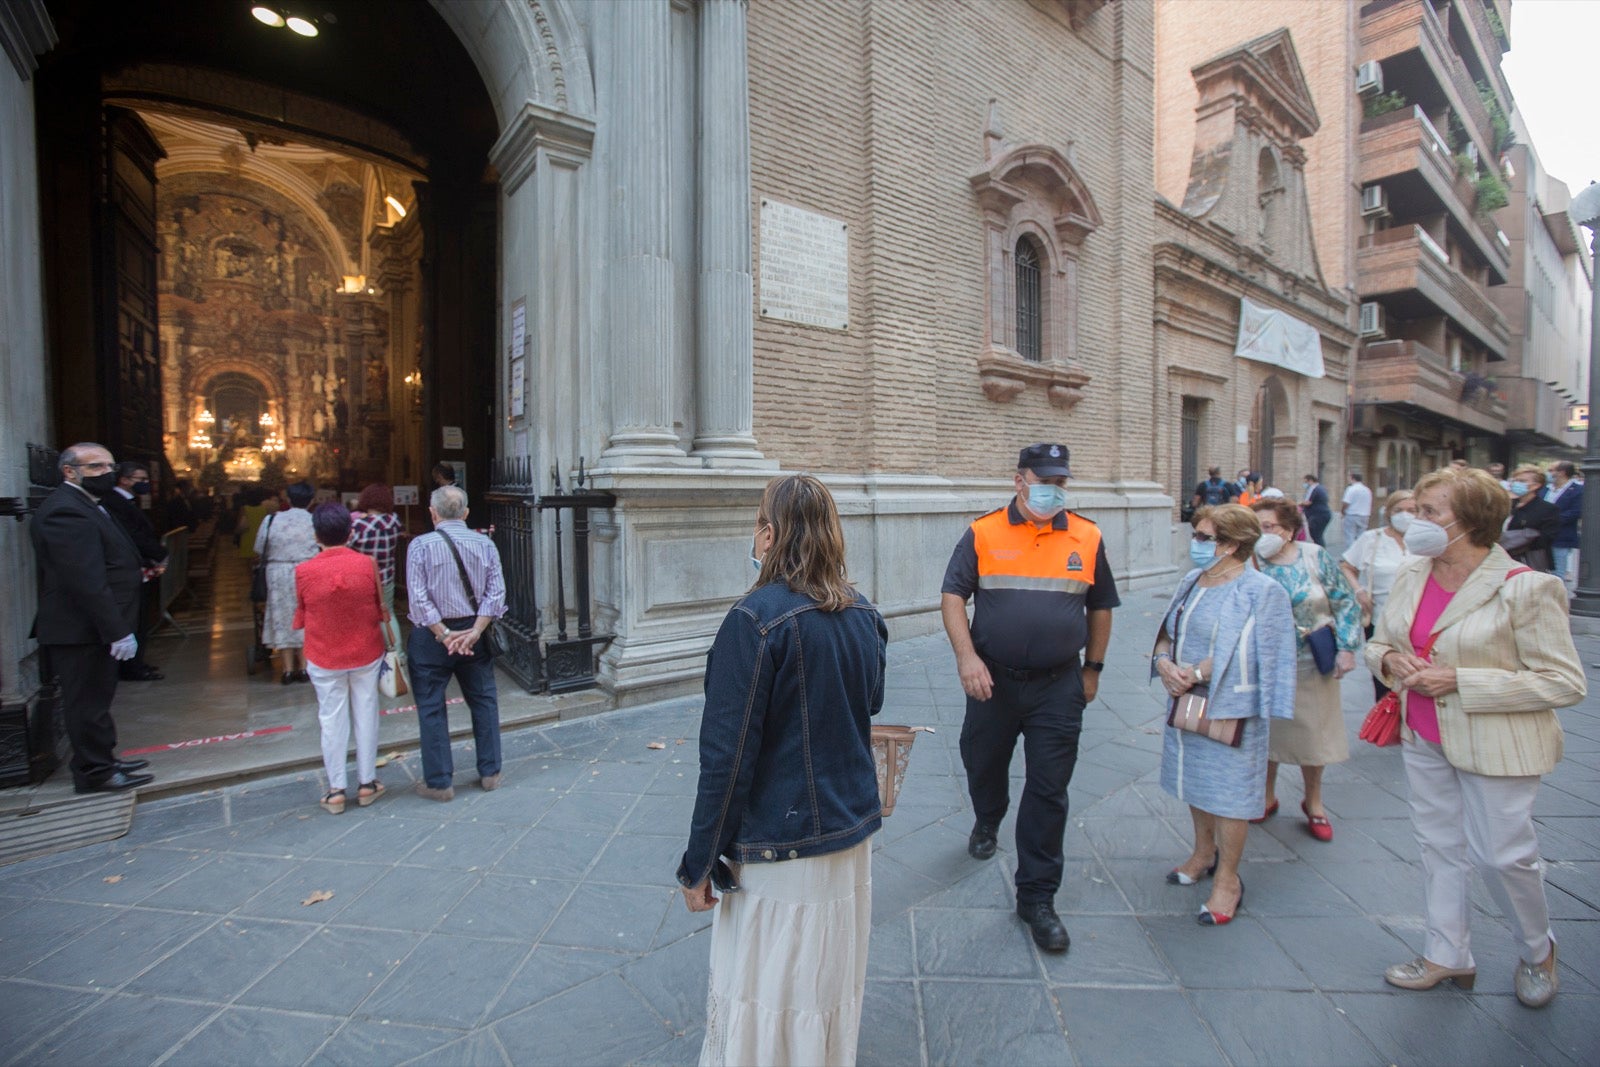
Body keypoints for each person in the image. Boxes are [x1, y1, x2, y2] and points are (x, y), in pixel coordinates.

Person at [678, 475, 887, 1067]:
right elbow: (869, 703)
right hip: (849, 835)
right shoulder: (864, 613)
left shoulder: (754, 621)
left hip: (780, 847)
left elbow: (726, 759)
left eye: (757, 524)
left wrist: (699, 863)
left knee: (770, 993)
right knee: (823, 988)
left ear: (769, 535)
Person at [1367, 467, 1584, 1008]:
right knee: (1438, 846)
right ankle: (1447, 954)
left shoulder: (1527, 587)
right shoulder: (1413, 573)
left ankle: (1538, 951)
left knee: (1502, 857)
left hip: (1496, 742)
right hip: (1423, 732)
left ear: (1470, 521)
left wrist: (1461, 680)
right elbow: (1381, 643)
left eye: (1429, 512)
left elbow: (1563, 682)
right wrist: (1390, 659)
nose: (1416, 521)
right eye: (1415, 510)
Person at [941, 443, 1119, 952]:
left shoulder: (1087, 535)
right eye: (1045, 481)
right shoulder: (983, 532)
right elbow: (953, 596)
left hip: (1058, 685)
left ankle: (1037, 897)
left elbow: (1101, 606)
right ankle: (988, 816)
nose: (1054, 491)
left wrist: (1093, 669)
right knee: (982, 761)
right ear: (1020, 481)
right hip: (992, 680)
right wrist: (967, 658)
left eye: (1061, 482)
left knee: (1049, 789)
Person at [1152, 505, 1296, 927]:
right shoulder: (1191, 581)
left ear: (1231, 545)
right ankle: (1203, 854)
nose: (1194, 543)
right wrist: (1164, 664)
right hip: (1186, 700)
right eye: (1196, 534)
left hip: (1231, 708)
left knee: (1231, 794)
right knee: (1197, 781)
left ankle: (1228, 880)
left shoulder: (1262, 591)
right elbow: (1167, 632)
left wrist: (1196, 673)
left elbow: (1263, 652)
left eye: (1204, 537)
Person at [29, 443, 154, 793]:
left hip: (94, 626)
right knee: (86, 703)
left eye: (110, 466)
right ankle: (94, 771)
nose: (106, 473)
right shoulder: (65, 511)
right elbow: (84, 579)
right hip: (82, 627)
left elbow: (107, 558)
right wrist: (117, 631)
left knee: (98, 700)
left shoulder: (87, 504)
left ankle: (104, 759)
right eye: (96, 467)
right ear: (70, 472)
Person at [1248, 498, 1361, 839]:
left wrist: (1347, 648)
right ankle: (1266, 795)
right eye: (1256, 528)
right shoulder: (1249, 560)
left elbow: (1345, 601)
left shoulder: (1315, 556)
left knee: (1315, 735)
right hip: (1265, 663)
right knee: (1267, 733)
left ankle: (1313, 801)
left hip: (1312, 660)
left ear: (1289, 530)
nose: (1262, 534)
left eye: (1268, 527)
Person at [406, 485, 506, 801]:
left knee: (431, 706)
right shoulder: (485, 544)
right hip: (473, 632)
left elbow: (418, 598)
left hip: (433, 636)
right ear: (465, 513)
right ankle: (491, 773)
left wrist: (444, 635)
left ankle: (439, 783)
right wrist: (475, 632)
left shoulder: (420, 546)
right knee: (484, 700)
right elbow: (496, 593)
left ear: (432, 513)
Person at [295, 503, 389, 815]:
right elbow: (377, 605)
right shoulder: (366, 564)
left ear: (316, 535)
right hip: (365, 649)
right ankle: (367, 783)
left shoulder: (304, 571)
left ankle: (336, 788)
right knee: (366, 712)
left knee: (331, 719)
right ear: (350, 533)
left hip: (324, 652)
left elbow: (301, 613)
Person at [1340, 489, 1418, 701]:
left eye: (1411, 510)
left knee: (1415, 677)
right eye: (1399, 510)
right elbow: (1347, 566)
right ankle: (1386, 717)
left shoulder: (1425, 541)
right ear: (1389, 512)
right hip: (1380, 618)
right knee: (1385, 680)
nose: (1405, 515)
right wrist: (1359, 590)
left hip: (1418, 619)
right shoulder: (1372, 539)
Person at [102, 460, 169, 682]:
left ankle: (136, 663)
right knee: (133, 618)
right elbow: (132, 535)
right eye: (141, 479)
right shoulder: (114, 502)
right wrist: (159, 553)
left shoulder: (126, 501)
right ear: (124, 479)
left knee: (139, 617)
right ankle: (131, 667)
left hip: (138, 566)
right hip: (129, 569)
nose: (146, 483)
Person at [254, 481, 319, 684]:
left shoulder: (271, 520)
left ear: (288, 499)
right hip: (307, 571)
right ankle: (304, 667)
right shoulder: (315, 520)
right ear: (311, 500)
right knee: (306, 616)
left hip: (278, 573)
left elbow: (259, 547)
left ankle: (287, 670)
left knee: (282, 618)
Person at [349, 483, 404, 653]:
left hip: (362, 579)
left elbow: (347, 546)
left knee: (362, 616)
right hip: (386, 577)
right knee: (388, 614)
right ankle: (397, 655)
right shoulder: (394, 521)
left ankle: (367, 653)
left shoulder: (359, 525)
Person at [1503, 466, 1560, 574]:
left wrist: (1518, 542)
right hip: (1503, 559)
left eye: (1522, 481)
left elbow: (1546, 538)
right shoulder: (1506, 505)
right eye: (1515, 480)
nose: (1516, 483)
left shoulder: (1547, 509)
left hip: (1529, 562)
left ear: (1536, 485)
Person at [1546, 461, 1582, 591]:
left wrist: (1550, 521)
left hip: (1561, 537)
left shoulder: (1577, 490)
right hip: (1541, 536)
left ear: (1561, 472)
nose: (1549, 473)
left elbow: (1575, 512)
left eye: (1552, 470)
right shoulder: (1546, 488)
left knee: (1558, 572)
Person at [1341, 471, 1372, 549]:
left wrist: (1343, 511)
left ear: (1352, 478)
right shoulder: (1367, 490)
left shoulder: (1351, 489)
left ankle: (1350, 553)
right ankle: (1360, 552)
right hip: (1364, 515)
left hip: (1352, 514)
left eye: (1349, 477)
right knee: (1361, 537)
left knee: (1350, 536)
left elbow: (1346, 502)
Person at [1299, 473, 1332, 546]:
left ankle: (1320, 550)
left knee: (1316, 535)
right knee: (1317, 535)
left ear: (1310, 480)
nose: (1305, 484)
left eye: (1306, 482)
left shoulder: (1314, 488)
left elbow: (1308, 502)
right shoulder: (1320, 488)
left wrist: (1299, 504)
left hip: (1317, 516)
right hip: (1322, 514)